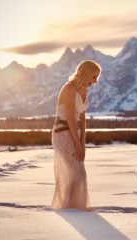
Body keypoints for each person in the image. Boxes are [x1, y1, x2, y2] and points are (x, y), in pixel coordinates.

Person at [51, 60, 101, 211]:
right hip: (63, 133)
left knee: (76, 172)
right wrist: (77, 144)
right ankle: (71, 208)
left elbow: (82, 119)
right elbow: (71, 118)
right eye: (93, 77)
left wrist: (82, 142)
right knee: (76, 172)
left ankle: (74, 207)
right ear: (85, 73)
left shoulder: (84, 90)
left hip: (75, 132)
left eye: (97, 77)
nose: (95, 81)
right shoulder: (69, 89)